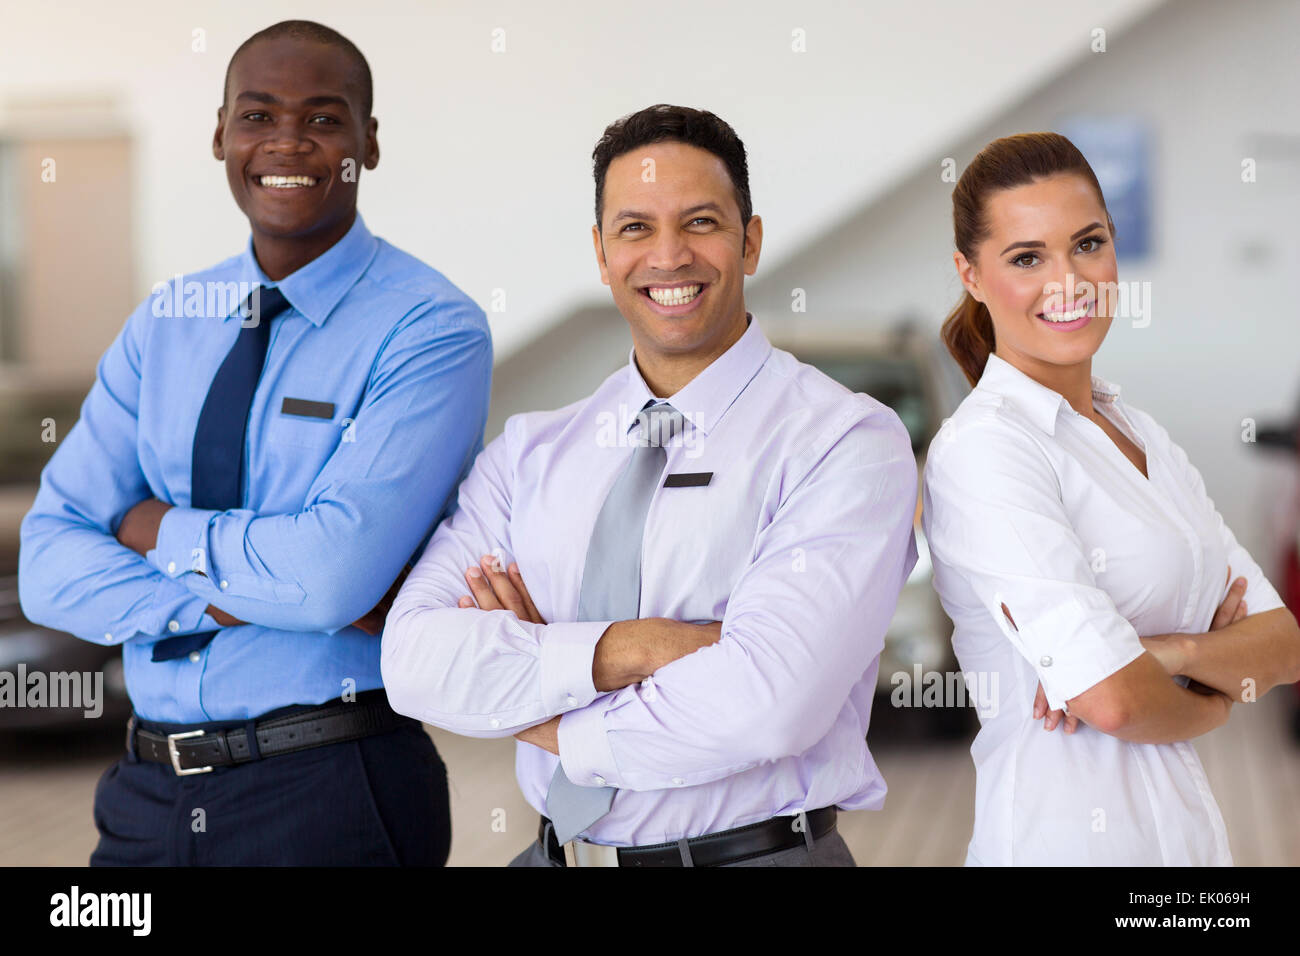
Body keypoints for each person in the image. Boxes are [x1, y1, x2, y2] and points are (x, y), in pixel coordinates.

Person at [381, 104, 919, 867]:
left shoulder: (842, 441)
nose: (669, 256)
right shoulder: (533, 451)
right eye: (635, 228)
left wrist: (537, 699)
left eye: (700, 222)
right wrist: (636, 648)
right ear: (601, 255)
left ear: (751, 240)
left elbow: (768, 705)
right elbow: (413, 663)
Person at [18, 20, 492, 865]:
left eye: (322, 119)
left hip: (328, 787)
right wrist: (246, 593)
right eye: (257, 115)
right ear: (220, 134)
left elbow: (327, 577)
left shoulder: (429, 327)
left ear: (367, 143)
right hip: (143, 793)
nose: (287, 143)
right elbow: (49, 568)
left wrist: (158, 531)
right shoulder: (164, 324)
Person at [921, 131, 1300, 866]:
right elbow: (1113, 702)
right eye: (1027, 257)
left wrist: (1173, 651)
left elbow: (1284, 646)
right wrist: (1214, 692)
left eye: (1087, 244)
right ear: (970, 274)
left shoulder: (1138, 432)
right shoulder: (985, 451)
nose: (1069, 280)